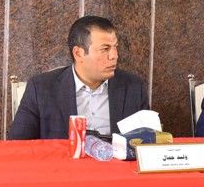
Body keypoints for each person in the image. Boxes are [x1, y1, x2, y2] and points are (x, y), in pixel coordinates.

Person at [8, 15, 149, 140]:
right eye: (105, 49)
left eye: (115, 47)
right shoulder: (41, 88)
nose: (114, 56)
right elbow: (17, 145)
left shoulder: (133, 88)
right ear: (78, 53)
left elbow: (148, 143)